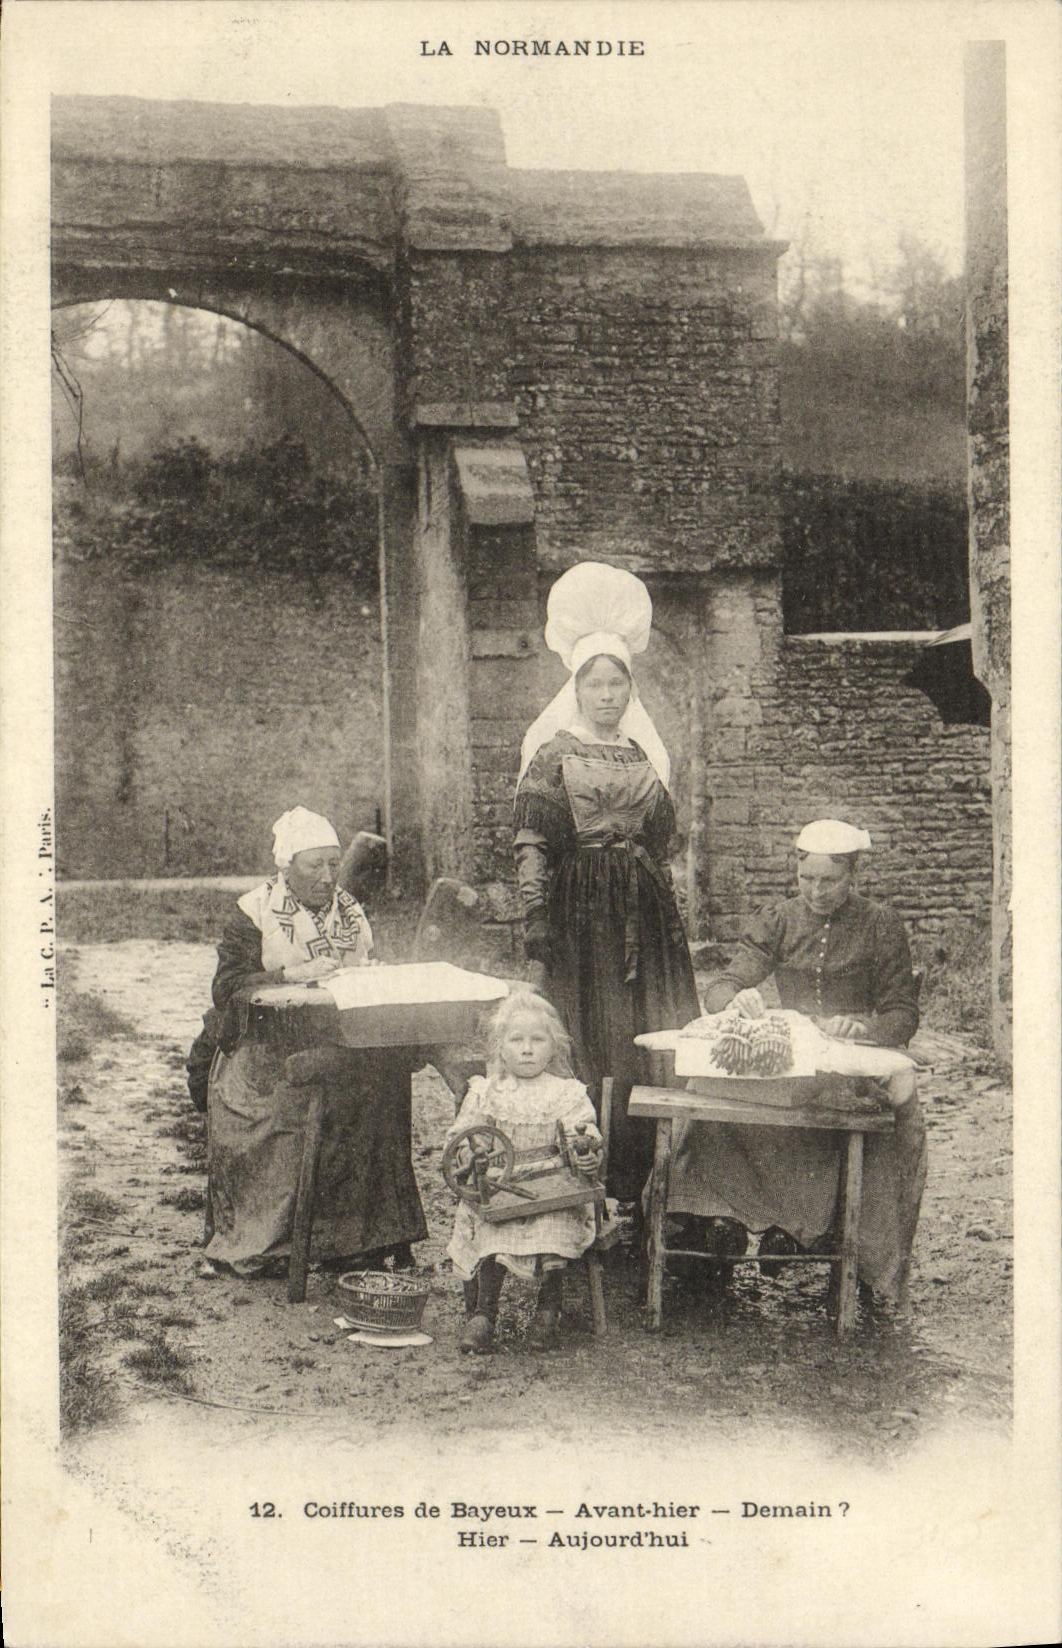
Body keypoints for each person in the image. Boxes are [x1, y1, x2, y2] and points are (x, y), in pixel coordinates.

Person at [667, 818, 927, 1305]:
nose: (816, 891)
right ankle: (722, 1218)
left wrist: (864, 1028)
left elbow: (903, 1014)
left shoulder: (881, 925)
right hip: (796, 1055)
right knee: (710, 1094)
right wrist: (736, 999)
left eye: (829, 881)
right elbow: (723, 985)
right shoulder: (779, 919)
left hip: (849, 1062)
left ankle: (828, 1239)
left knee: (870, 1115)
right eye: (806, 879)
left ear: (853, 876)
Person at [513, 562, 699, 1208]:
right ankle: (577, 1182)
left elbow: (663, 839)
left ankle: (639, 1185)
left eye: (617, 683)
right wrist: (537, 919)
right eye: (594, 683)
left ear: (629, 689)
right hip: (579, 915)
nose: (606, 695)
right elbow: (532, 841)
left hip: (642, 918)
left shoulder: (644, 757)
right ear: (577, 687)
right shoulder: (553, 755)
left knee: (641, 1039)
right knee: (588, 1038)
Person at [201, 806, 427, 1278]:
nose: (328, 877)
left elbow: (364, 965)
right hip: (264, 1049)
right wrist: (288, 975)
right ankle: (289, 1239)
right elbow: (227, 989)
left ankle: (363, 1239)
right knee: (311, 1095)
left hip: (339, 1040)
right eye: (314, 866)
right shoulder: (254, 912)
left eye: (333, 863)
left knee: (382, 1083)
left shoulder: (349, 911)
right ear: (286, 868)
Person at [447, 991, 603, 1353]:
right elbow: (461, 1137)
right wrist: (470, 1158)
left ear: (554, 1047)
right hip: (500, 1188)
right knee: (489, 1223)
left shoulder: (567, 1093)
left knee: (554, 1224)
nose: (527, 1049)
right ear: (500, 1047)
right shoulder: (487, 1092)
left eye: (538, 1039)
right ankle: (484, 1314)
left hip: (553, 1189)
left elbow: (587, 1135)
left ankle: (548, 1311)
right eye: (517, 1040)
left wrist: (588, 1156)